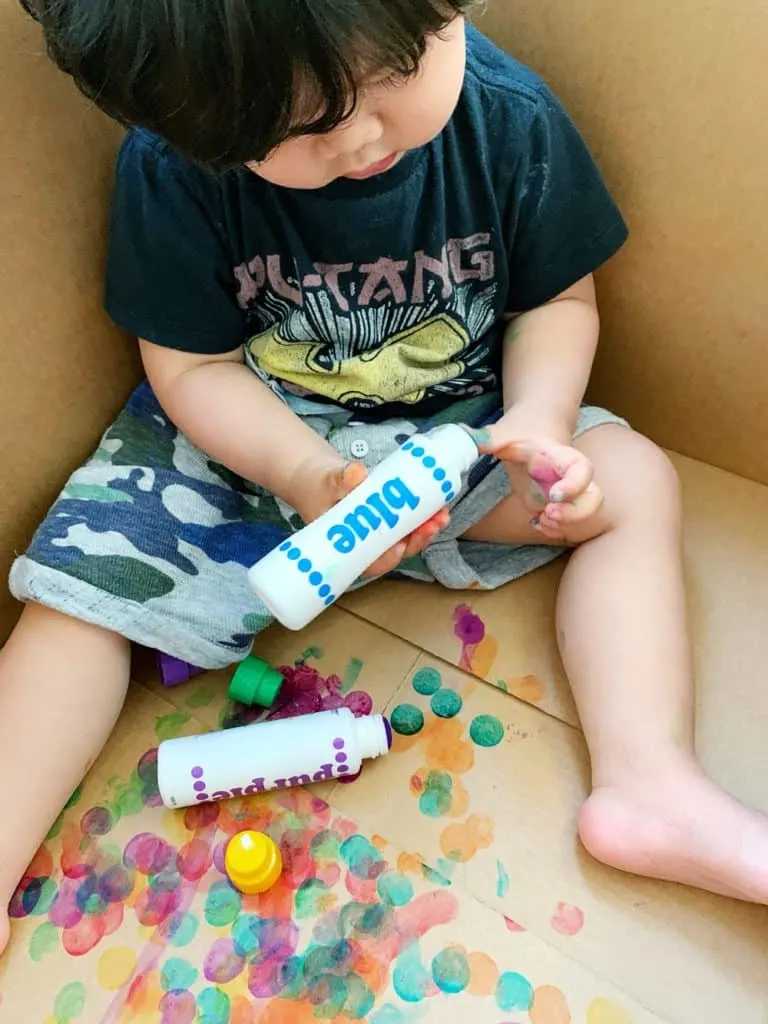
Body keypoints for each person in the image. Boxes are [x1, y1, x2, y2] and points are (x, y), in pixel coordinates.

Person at [3, 0, 768, 955]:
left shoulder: (508, 120)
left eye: (394, 75)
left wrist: (538, 421)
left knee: (634, 481)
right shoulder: (176, 166)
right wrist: (306, 470)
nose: (363, 135)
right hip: (254, 448)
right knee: (77, 595)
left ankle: (650, 781)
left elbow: (559, 303)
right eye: (299, 127)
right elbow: (192, 368)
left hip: (460, 441)